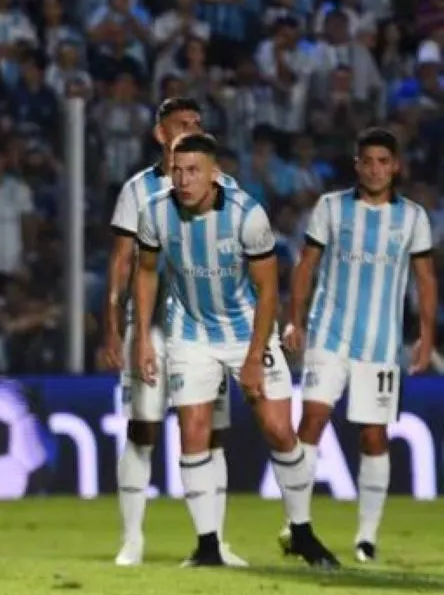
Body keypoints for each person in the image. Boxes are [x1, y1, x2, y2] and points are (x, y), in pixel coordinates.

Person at [131, 133, 339, 568]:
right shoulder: (154, 213)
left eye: (193, 171)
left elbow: (268, 293)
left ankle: (300, 530)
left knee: (280, 430)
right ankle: (208, 545)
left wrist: (251, 359)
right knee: (193, 432)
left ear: (213, 175)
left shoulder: (248, 215)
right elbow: (147, 273)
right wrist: (143, 341)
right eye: (177, 170)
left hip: (248, 330)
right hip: (189, 331)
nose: (183, 180)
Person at [282, 128, 437, 563]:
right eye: (367, 161)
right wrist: (294, 320)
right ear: (357, 165)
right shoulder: (331, 207)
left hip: (381, 345)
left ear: (396, 166)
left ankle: (366, 538)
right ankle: (297, 524)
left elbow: (425, 279)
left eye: (382, 161)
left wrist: (426, 334)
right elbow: (305, 264)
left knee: (373, 436)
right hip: (329, 333)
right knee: (311, 421)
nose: (374, 169)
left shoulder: (412, 218)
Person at [100, 97, 242, 567]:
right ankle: (132, 539)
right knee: (143, 429)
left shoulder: (224, 188)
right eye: (182, 124)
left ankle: (214, 541)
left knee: (211, 433)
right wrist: (112, 326)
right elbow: (121, 263)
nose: (190, 130)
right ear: (161, 134)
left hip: (207, 330)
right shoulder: (138, 190)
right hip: (152, 329)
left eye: (197, 123)